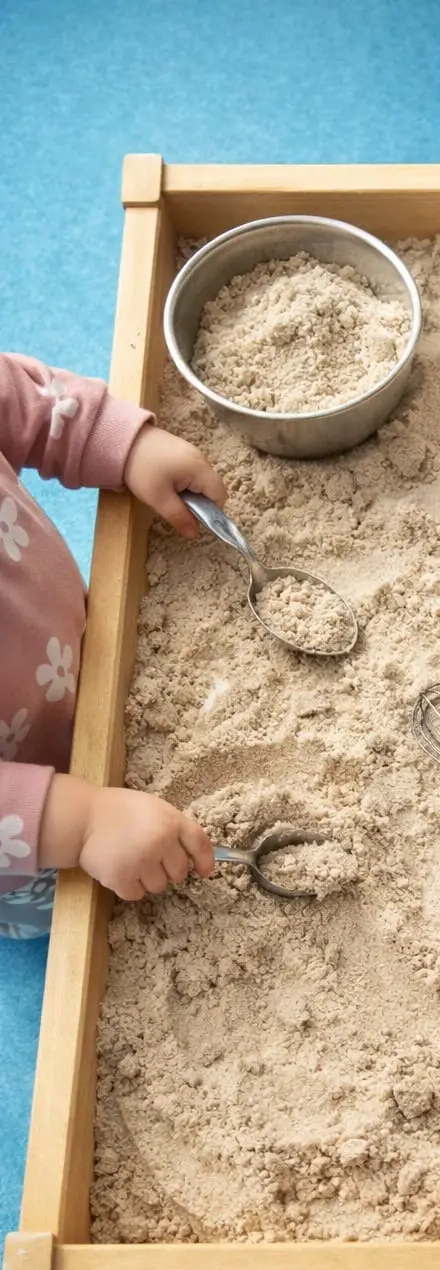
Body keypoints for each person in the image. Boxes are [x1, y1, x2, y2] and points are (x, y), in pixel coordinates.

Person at [0, 352, 224, 938]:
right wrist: (84, 824)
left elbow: (20, 401)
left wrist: (117, 442)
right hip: (24, 830)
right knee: (67, 901)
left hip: (74, 660)